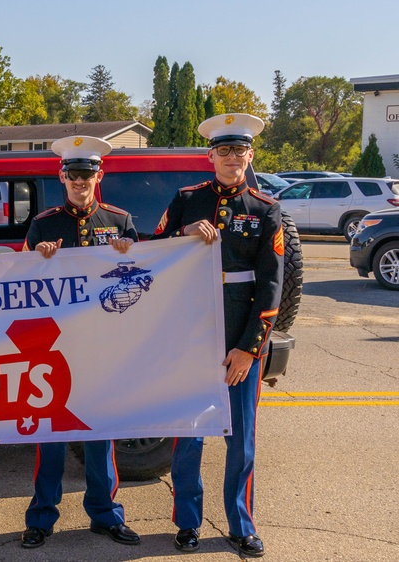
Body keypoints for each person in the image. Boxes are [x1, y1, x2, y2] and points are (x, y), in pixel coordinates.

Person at [153, 113, 283, 558]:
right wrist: (183, 233)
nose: (232, 158)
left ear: (250, 155)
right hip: (190, 339)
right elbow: (152, 254)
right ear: (210, 157)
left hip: (239, 338)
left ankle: (240, 524)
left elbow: (271, 284)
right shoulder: (187, 200)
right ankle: (188, 523)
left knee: (241, 440)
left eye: (239, 150)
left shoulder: (266, 209)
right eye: (223, 151)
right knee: (188, 438)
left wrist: (249, 349)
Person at [19, 135, 141, 549]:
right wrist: (39, 256)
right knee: (50, 435)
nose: (80, 181)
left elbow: (141, 280)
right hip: (56, 345)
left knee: (99, 435)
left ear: (99, 175)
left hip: (103, 345)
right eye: (73, 174)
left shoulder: (119, 221)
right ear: (62, 176)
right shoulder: (43, 223)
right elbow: (20, 283)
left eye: (87, 174)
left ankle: (105, 515)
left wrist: (127, 254)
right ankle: (40, 518)